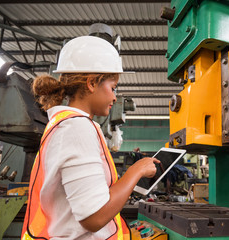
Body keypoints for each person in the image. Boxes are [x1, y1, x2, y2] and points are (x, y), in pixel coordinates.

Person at [21, 36, 159, 240]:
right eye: (113, 88)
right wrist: (136, 170)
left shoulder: (66, 123)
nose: (114, 97)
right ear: (92, 83)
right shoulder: (76, 128)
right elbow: (93, 217)